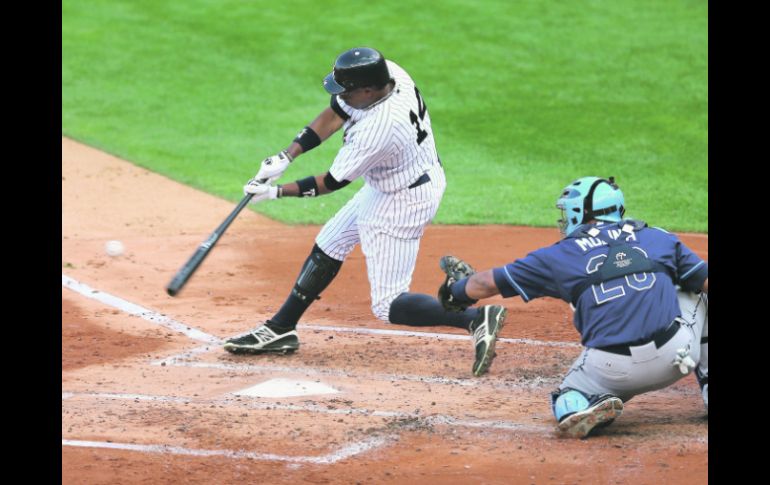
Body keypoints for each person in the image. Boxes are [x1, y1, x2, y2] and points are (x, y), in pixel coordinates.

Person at [223, 47, 507, 377]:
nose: (341, 95)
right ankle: (281, 328)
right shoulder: (389, 73)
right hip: (401, 178)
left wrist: (275, 192)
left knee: (387, 304)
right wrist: (287, 155)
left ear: (368, 90)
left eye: (347, 90)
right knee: (331, 241)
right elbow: (335, 112)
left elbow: (331, 182)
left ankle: (474, 318)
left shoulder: (379, 129)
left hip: (403, 200)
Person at [436, 176, 708, 438]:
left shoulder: (559, 254)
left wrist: (456, 292)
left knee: (567, 394)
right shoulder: (658, 238)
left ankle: (578, 405)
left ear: (581, 212)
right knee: (695, 287)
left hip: (612, 369)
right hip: (677, 357)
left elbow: (485, 283)